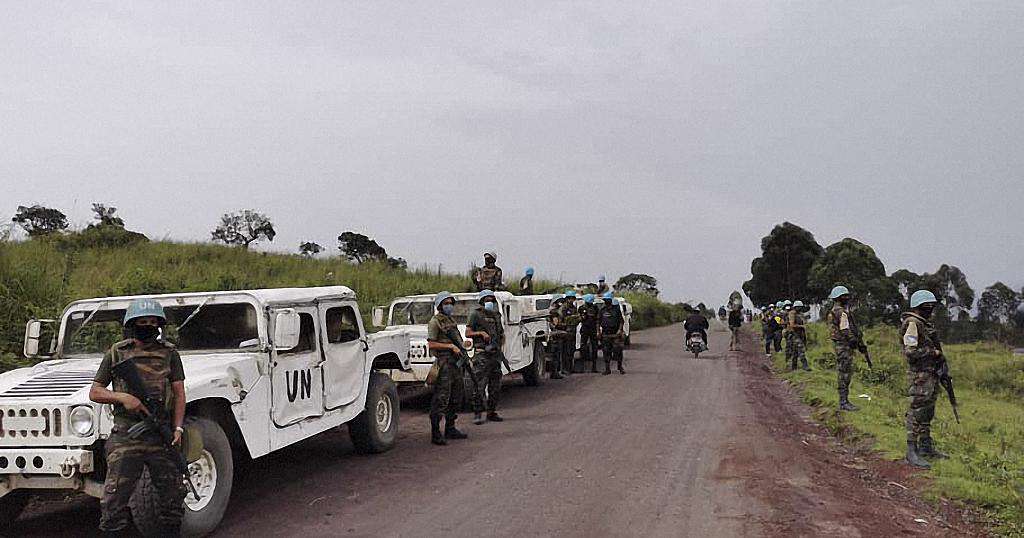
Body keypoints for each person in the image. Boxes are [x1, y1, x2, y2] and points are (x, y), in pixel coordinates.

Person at [89, 299, 186, 536]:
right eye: (142, 322)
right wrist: (123, 397)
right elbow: (95, 392)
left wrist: (178, 429)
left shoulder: (169, 353)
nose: (148, 326)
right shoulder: (117, 352)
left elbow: (179, 393)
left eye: (152, 322)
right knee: (114, 501)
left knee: (173, 496)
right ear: (132, 325)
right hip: (126, 434)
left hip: (159, 433)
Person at [901, 290, 947, 468]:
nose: (931, 308)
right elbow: (910, 351)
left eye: (932, 305)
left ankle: (926, 446)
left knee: (927, 411)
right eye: (927, 305)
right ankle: (911, 450)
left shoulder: (924, 324)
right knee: (916, 411)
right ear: (919, 306)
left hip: (930, 374)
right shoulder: (913, 323)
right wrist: (932, 352)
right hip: (919, 375)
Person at [426, 292, 469, 445]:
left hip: (455, 363)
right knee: (441, 398)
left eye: (451, 303)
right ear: (440, 306)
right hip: (444, 364)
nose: (449, 306)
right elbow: (431, 343)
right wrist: (449, 346)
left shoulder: (450, 320)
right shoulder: (435, 322)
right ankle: (436, 433)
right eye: (446, 303)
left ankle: (450, 428)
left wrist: (462, 348)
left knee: (456, 396)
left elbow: (458, 341)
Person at [465, 290, 506, 424]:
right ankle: (477, 413)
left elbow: (501, 333)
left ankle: (491, 412)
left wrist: (500, 346)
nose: (490, 302)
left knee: (495, 386)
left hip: (495, 354)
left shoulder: (496, 315)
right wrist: (481, 333)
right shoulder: (475, 314)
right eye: (487, 300)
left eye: (491, 300)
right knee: (479, 385)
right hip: (482, 354)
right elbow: (468, 332)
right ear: (482, 301)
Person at [827, 285, 870, 411]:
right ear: (838, 298)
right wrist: (854, 341)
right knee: (845, 373)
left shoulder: (834, 311)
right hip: (843, 345)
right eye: (844, 296)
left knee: (844, 372)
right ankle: (843, 402)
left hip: (840, 345)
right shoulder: (841, 312)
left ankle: (844, 401)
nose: (847, 298)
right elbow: (845, 330)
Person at [598, 293, 626, 375]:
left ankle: (620, 367)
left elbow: (621, 321)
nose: (606, 301)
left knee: (618, 350)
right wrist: (598, 332)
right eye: (605, 300)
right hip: (605, 334)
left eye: (607, 300)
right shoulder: (602, 310)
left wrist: (620, 330)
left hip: (615, 334)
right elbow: (598, 322)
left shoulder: (616, 310)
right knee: (606, 351)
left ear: (610, 300)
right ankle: (607, 369)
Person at [578, 294, 601, 373]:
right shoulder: (581, 308)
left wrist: (598, 331)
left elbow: (597, 320)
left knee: (594, 348)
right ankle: (582, 367)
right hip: (585, 329)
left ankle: (594, 367)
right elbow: (580, 318)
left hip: (592, 329)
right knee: (583, 348)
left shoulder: (595, 308)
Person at [546, 294, 567, 379]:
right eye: (559, 301)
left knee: (555, 355)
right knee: (555, 355)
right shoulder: (554, 312)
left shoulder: (552, 311)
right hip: (555, 335)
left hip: (554, 335)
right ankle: (555, 372)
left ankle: (555, 372)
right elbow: (556, 324)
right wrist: (565, 324)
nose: (561, 303)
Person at [561, 290, 581, 374]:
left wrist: (573, 319)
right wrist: (572, 318)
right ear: (567, 299)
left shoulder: (573, 307)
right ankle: (565, 369)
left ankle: (570, 368)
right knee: (566, 351)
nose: (571, 300)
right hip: (566, 332)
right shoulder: (564, 308)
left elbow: (578, 318)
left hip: (573, 331)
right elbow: (563, 319)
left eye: (572, 298)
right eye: (570, 298)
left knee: (572, 350)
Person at [787, 301, 810, 371]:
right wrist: (802, 326)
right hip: (794, 334)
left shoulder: (800, 314)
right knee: (801, 349)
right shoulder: (792, 313)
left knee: (795, 352)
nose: (800, 308)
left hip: (800, 334)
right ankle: (805, 365)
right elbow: (792, 325)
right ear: (795, 307)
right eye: (799, 307)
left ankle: (793, 367)